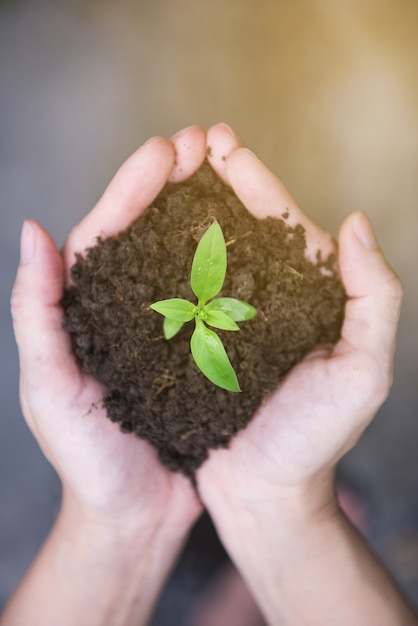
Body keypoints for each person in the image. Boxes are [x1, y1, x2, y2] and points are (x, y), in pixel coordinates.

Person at [3, 123, 417, 626]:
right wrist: (287, 515)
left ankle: (228, 606)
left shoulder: (204, 313)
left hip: (206, 311)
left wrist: (114, 525)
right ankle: (242, 597)